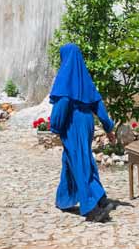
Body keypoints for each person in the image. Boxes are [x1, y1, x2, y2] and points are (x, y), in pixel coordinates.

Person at [49, 43, 118, 223]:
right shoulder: (84, 78)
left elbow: (63, 103)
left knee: (79, 161)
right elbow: (98, 104)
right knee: (71, 159)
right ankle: (66, 199)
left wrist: (55, 126)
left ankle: (91, 208)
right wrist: (108, 127)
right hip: (86, 121)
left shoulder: (66, 77)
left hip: (73, 123)